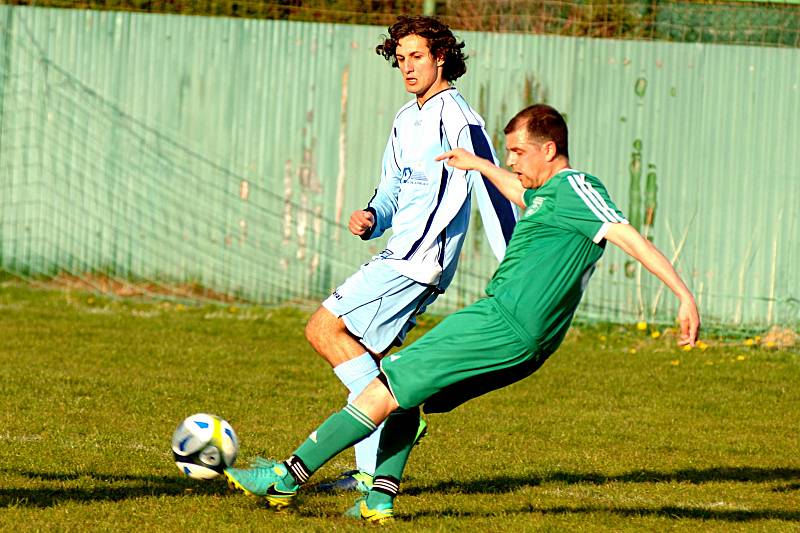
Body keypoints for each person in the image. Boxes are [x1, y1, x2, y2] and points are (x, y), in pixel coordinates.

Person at [225, 104, 701, 523]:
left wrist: (683, 295)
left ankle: (285, 477)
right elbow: (519, 192)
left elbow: (625, 233)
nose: (511, 160)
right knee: (410, 395)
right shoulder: (548, 196)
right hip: (525, 340)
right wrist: (478, 164)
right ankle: (379, 501)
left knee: (382, 386)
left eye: (517, 151)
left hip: (502, 323)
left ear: (550, 149)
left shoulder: (578, 187)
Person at [303, 16, 517, 491]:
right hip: (399, 249)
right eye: (400, 59)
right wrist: (371, 217)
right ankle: (367, 475)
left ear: (441, 57)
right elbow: (391, 189)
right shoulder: (405, 118)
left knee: (323, 328)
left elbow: (494, 184)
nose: (407, 67)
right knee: (367, 354)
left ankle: (398, 413)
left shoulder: (460, 117)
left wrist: (516, 259)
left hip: (419, 260)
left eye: (416, 56)